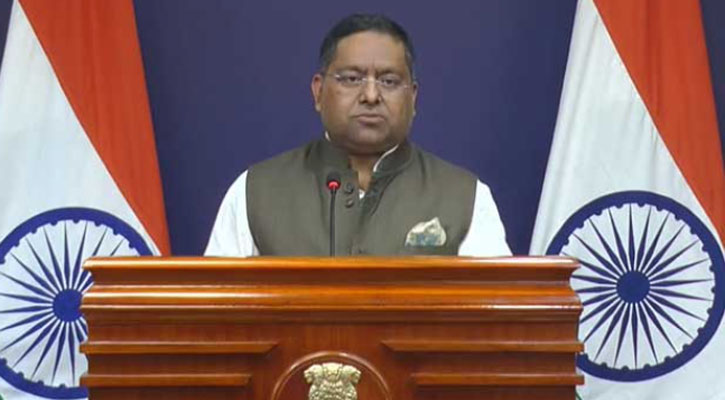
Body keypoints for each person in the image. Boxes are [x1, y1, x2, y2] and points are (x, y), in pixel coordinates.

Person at [205, 13, 510, 257]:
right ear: (318, 92)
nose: (371, 95)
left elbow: (497, 309)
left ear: (413, 97)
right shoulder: (255, 191)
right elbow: (216, 308)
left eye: (389, 81)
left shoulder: (465, 196)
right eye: (352, 79)